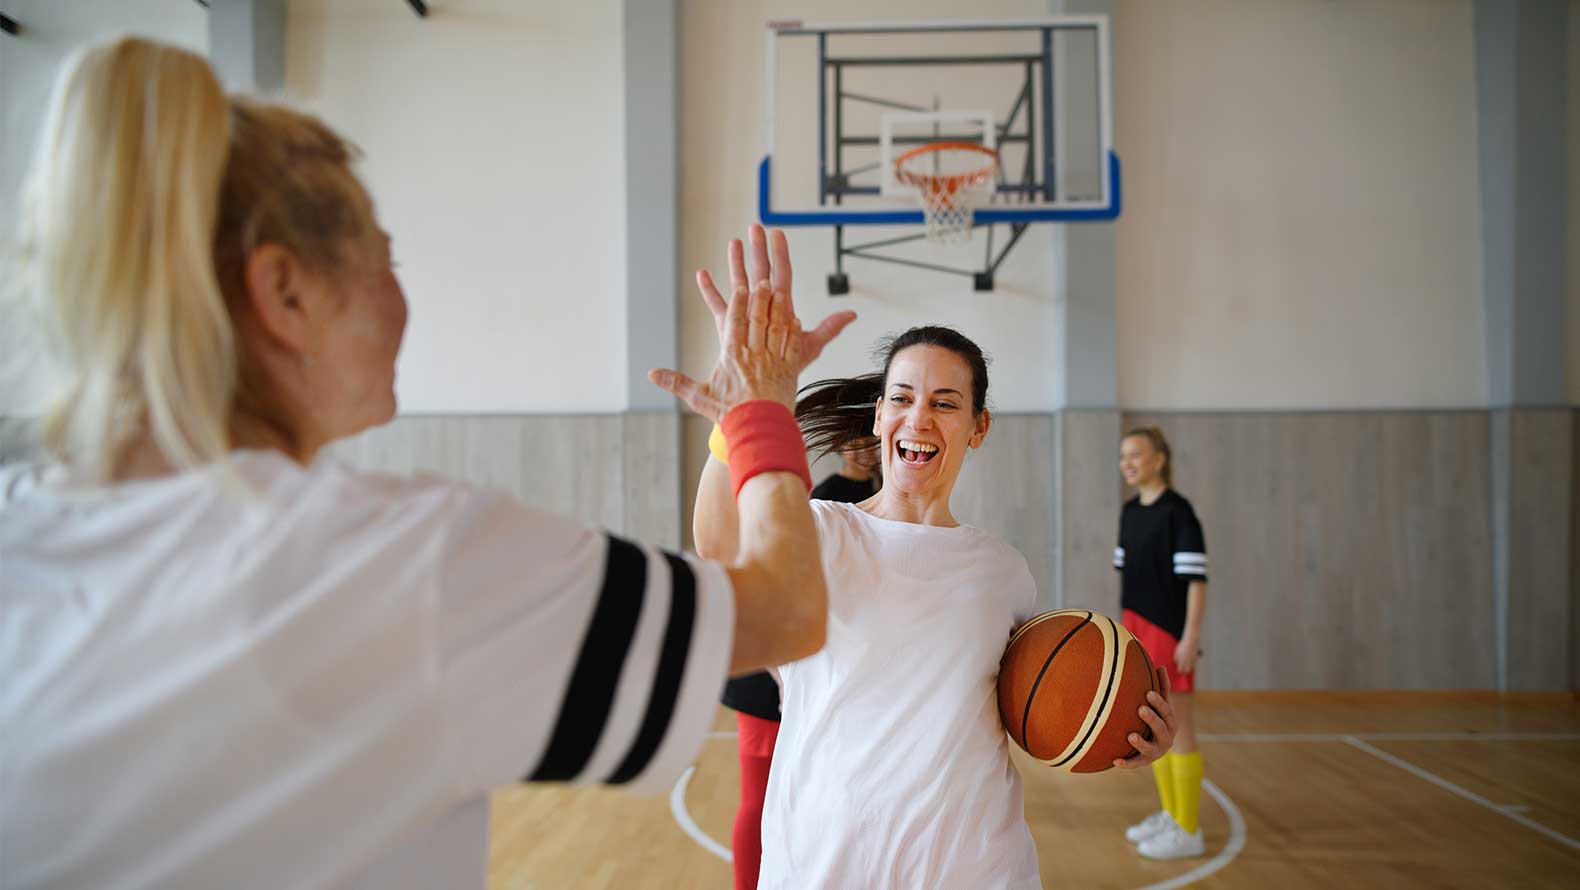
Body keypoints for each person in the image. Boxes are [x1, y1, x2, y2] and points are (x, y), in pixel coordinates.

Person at [0, 38, 855, 889]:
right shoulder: (408, 561)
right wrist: (763, 407)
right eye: (386, 258)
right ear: (285, 294)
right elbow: (782, 612)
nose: (401, 296)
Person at [693, 318, 1179, 890]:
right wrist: (740, 414)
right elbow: (720, 544)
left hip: (975, 869)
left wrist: (1124, 732)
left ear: (978, 427)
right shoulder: (818, 530)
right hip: (820, 865)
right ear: (878, 417)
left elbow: (1033, 711)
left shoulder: (1004, 572)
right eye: (902, 397)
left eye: (945, 404)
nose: (919, 417)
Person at [717, 441, 878, 890]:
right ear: (844, 446)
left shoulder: (877, 493)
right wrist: (781, 676)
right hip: (768, 673)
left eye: (870, 439)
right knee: (759, 796)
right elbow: (782, 588)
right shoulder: (827, 499)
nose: (865, 449)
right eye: (857, 440)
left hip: (803, 668)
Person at [1115, 426, 1210, 860]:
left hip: (1169, 635)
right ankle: (1171, 815)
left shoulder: (1179, 513)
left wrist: (1190, 637)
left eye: (1136, 454)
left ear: (1159, 459)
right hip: (1137, 630)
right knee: (1154, 728)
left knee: (1181, 730)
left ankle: (1188, 829)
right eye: (1123, 457)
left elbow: (1195, 581)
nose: (1127, 463)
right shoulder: (1130, 513)